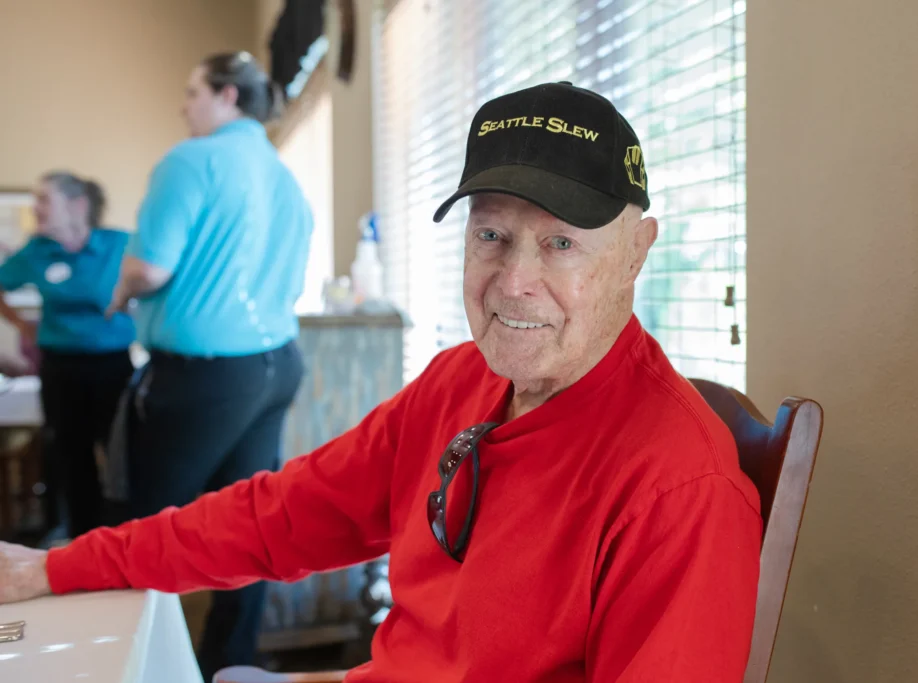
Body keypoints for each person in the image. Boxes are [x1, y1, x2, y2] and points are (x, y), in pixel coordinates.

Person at [0, 82, 761, 682]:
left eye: (562, 244)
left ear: (636, 252)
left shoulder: (680, 488)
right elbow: (279, 517)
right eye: (490, 235)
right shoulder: (458, 381)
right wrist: (57, 566)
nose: (513, 283)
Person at [99, 51, 311, 679]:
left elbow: (148, 268)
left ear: (225, 97)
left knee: (145, 522)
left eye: (192, 93)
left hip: (205, 374)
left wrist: (119, 293)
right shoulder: (285, 177)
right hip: (274, 367)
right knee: (250, 522)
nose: (183, 106)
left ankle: (132, 666)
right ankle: (230, 663)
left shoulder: (191, 159)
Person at [0, 172, 135, 539]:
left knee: (121, 453)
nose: (36, 208)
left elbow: (156, 280)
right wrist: (21, 324)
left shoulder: (118, 244)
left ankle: (127, 535)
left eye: (44, 199)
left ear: (77, 205)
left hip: (113, 367)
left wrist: (134, 306)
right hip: (61, 368)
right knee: (70, 455)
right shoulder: (37, 252)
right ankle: (82, 536)